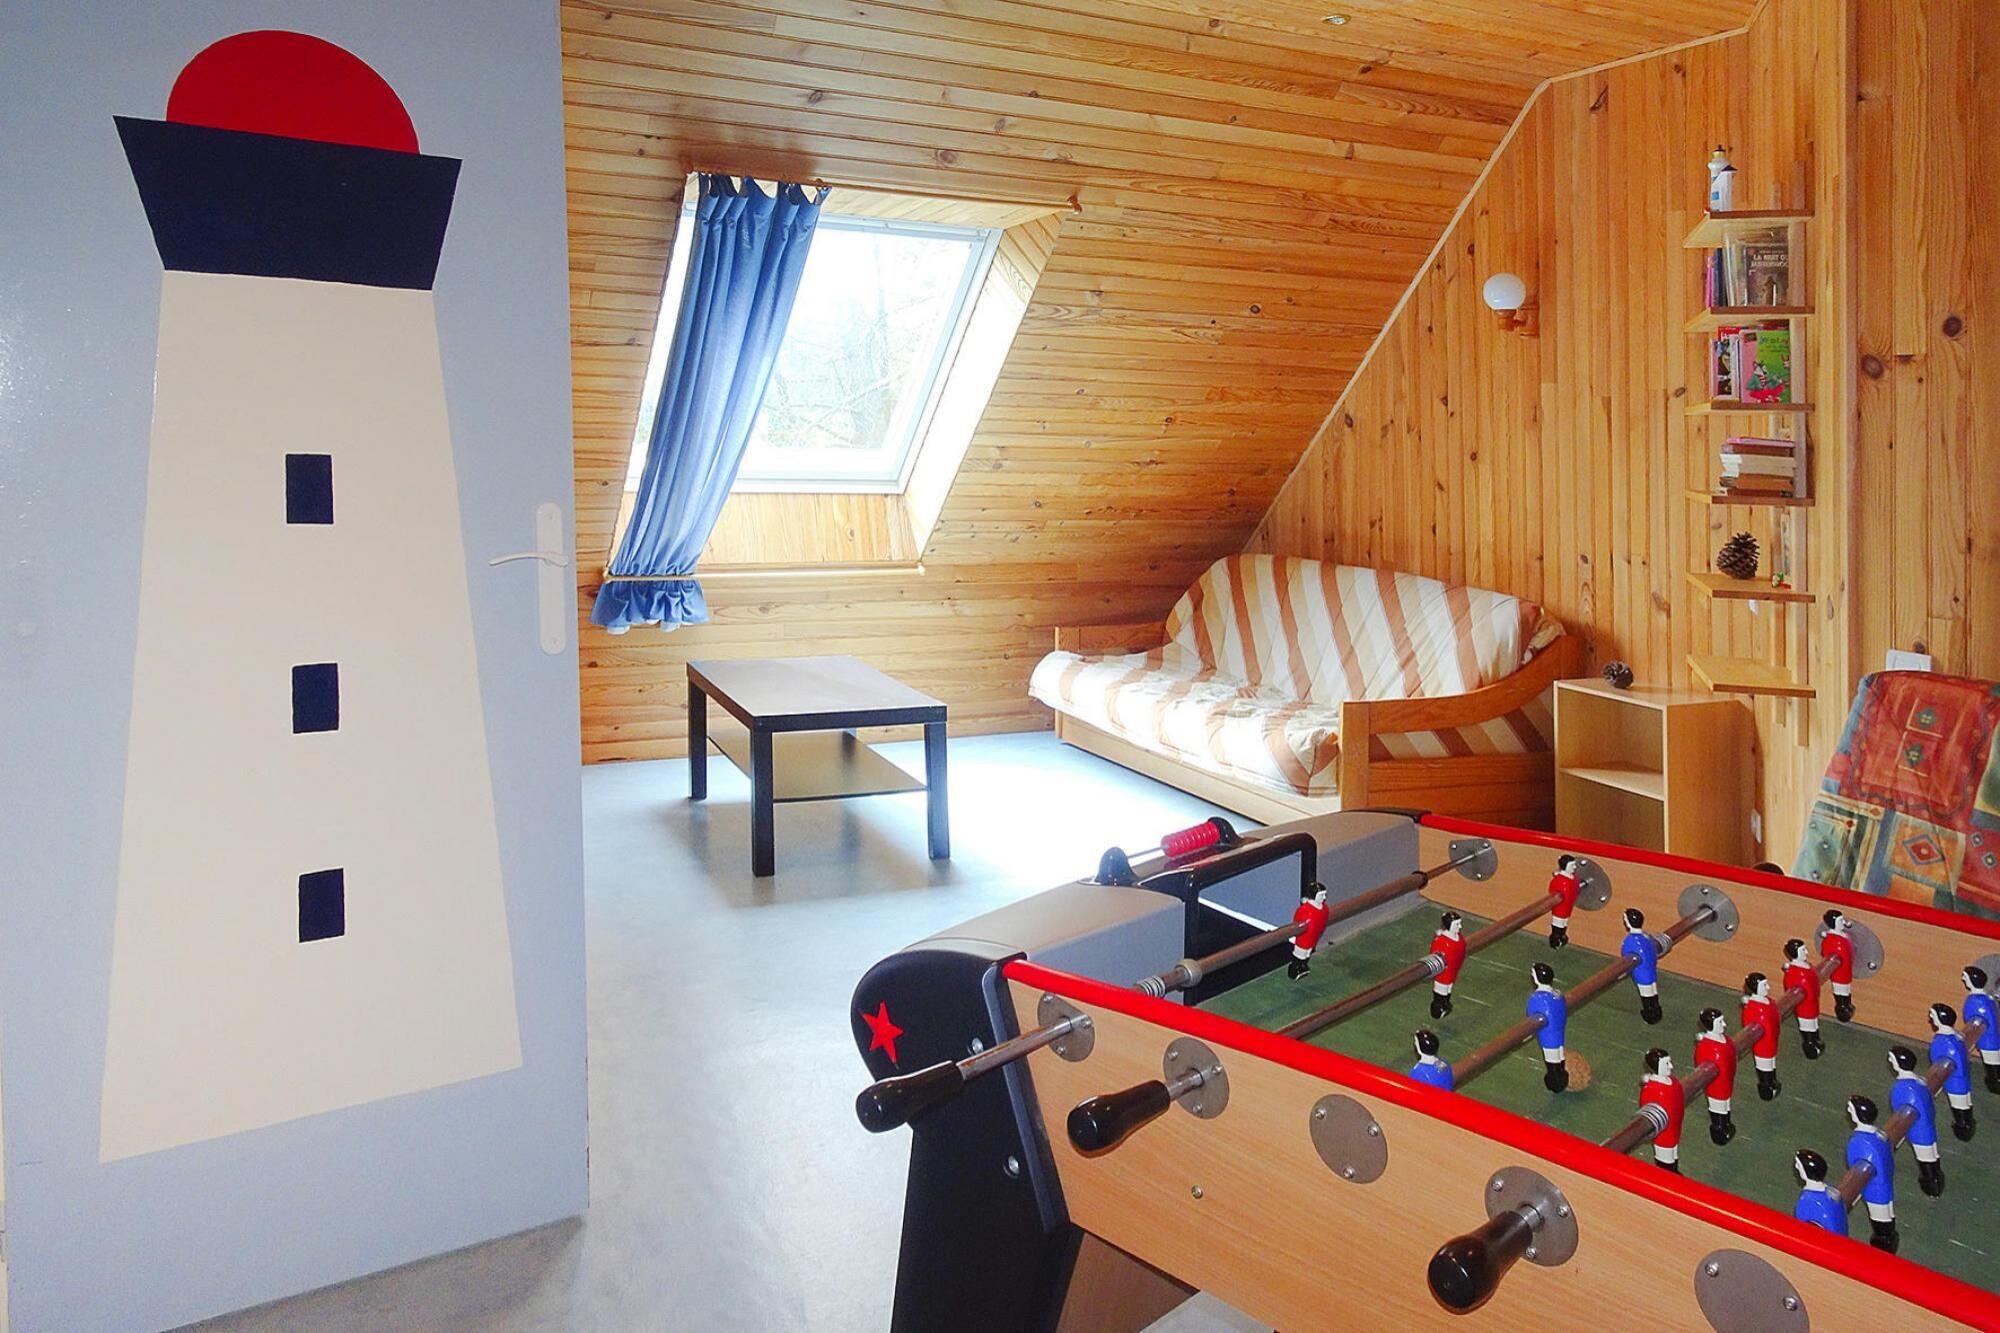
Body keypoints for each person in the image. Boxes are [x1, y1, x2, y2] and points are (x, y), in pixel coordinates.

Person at [1888, 1045, 1944, 1197]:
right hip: (1927, 1126)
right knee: (1932, 1154)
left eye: (1892, 1059)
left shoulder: (1902, 1088)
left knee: (1925, 1158)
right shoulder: (1919, 1082)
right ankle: (1936, 1178)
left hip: (1918, 1130)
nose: (1890, 1062)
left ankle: (1932, 1184)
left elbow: (1899, 1111)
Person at [1846, 1094, 1898, 1252]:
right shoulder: (1879, 1135)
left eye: (1851, 1109)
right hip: (1884, 1183)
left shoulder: (1859, 1141)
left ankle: (1884, 1244)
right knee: (1887, 1214)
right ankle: (1889, 1238)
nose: (1849, 1111)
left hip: (1875, 1188)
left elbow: (1853, 1161)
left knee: (1881, 1218)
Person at [1929, 1002, 1977, 1142]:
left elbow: (1938, 1061)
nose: (1931, 1018)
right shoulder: (1956, 1037)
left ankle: (1963, 1128)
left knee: (1959, 1105)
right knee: (1965, 1102)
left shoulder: (1942, 1041)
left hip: (1954, 1080)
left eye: (1932, 1015)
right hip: (1962, 1077)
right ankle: (1967, 1123)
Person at [1694, 1007, 1738, 1145]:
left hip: (1726, 1082)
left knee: (1725, 1106)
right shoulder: (1707, 1045)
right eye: (1720, 1022)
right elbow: (1701, 1063)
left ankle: (1726, 1125)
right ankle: (1719, 1130)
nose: (1724, 1025)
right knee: (1718, 1108)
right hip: (1716, 1087)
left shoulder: (1725, 1040)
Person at [1526, 962, 1569, 1091]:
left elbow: (1531, 1011)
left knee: (1552, 1058)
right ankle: (1560, 1076)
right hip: (1558, 1029)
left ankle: (1555, 1082)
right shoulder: (1557, 993)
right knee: (1559, 1054)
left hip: (1548, 1034)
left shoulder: (1538, 998)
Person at [1639, 1049, 1684, 1171]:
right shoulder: (1652, 1088)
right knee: (1666, 1159)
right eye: (1667, 1063)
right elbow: (1646, 1110)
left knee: (1673, 1154)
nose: (1671, 1066)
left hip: (1674, 1128)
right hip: (1663, 1134)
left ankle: (1674, 1172)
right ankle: (1666, 1176)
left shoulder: (1673, 1081)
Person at [1781, 938, 1825, 1059]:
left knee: (1814, 1025)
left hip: (1812, 1003)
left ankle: (1816, 1041)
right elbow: (1790, 988)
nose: (1806, 952)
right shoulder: (1794, 972)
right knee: (1808, 1027)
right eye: (1803, 950)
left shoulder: (1806, 967)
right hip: (1804, 1008)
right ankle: (1810, 1046)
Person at [1742, 972, 1782, 1101]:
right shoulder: (1754, 1007)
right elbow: (1747, 1024)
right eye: (1764, 985)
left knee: (1771, 1064)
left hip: (1771, 1041)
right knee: (1765, 1066)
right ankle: (1766, 1086)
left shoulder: (1768, 1002)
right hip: (1762, 1046)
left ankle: (1772, 1081)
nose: (1768, 988)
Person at [1620, 907, 1663, 1025]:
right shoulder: (1646, 937)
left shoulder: (1631, 940)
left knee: (1647, 996)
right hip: (1650, 970)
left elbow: (1625, 955)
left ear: (1628, 922)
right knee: (1653, 993)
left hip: (1642, 973)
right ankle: (1656, 1012)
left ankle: (1651, 1016)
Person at [1791, 1148, 1848, 1236]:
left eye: (1798, 1165)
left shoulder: (1807, 1200)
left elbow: (1800, 1228)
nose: (1796, 1167)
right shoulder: (1829, 1189)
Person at [1963, 965, 2000, 1093]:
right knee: (1994, 1058)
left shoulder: (1976, 1001)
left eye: (1965, 977)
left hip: (1987, 1038)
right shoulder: (1987, 998)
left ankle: (1995, 1082)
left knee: (1991, 1061)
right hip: (1992, 1035)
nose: (1963, 979)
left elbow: (1973, 1019)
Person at [1287, 881, 1331, 981]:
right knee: (1300, 954)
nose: (1324, 898)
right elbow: (1297, 919)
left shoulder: (1324, 908)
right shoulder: (1305, 909)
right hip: (1304, 938)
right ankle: (1295, 969)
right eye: (1322, 895)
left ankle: (1303, 967)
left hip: (1314, 937)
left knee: (1307, 953)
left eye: (1324, 895)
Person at [1429, 910, 1467, 1020]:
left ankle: (1445, 1005)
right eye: (1457, 924)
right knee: (1442, 990)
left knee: (1448, 989)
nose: (1460, 927)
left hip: (1453, 970)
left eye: (1459, 924)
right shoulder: (1442, 941)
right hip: (1444, 973)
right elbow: (1434, 954)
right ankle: (1438, 1009)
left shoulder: (1459, 937)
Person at [1821, 911, 1857, 1023]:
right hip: (1838, 973)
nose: (1843, 922)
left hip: (1845, 970)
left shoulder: (1842, 936)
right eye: (1840, 920)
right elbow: (1827, 953)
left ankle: (1847, 1005)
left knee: (1846, 990)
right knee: (1841, 991)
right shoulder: (1830, 939)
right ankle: (1842, 1008)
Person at [1547, 854, 1583, 949]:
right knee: (1558, 924)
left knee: (1564, 923)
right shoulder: (1560, 880)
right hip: (1560, 909)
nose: (1574, 867)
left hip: (1568, 907)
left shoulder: (1572, 878)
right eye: (1572, 865)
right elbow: (1552, 890)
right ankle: (1555, 940)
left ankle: (1561, 936)